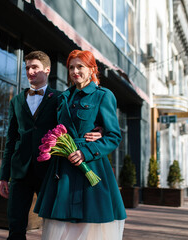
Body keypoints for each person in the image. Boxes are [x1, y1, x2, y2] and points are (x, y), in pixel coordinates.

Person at [0, 50, 102, 240]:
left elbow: (77, 124)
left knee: (54, 223)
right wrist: (3, 176)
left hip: (50, 169)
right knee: (15, 225)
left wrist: (100, 130)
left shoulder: (61, 98)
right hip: (20, 170)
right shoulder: (16, 101)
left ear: (47, 70)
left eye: (35, 67)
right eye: (27, 68)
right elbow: (10, 140)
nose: (30, 71)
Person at [34, 50, 127, 240]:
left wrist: (87, 151)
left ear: (92, 69)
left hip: (91, 166)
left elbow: (114, 136)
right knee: (60, 224)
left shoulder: (103, 95)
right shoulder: (63, 98)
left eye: (80, 67)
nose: (75, 71)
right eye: (71, 67)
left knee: (91, 222)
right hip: (63, 171)